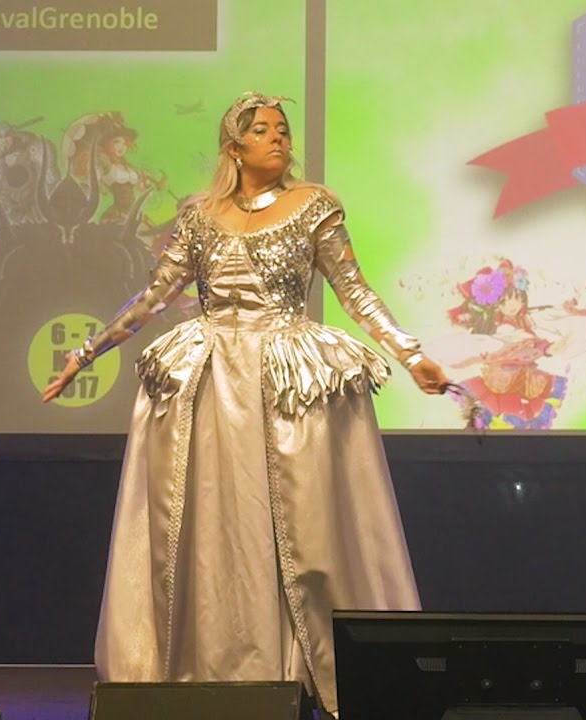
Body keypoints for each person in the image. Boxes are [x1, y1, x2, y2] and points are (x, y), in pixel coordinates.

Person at [42, 92, 452, 716]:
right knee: (216, 527)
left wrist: (410, 352)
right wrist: (86, 352)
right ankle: (213, 666)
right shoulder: (199, 216)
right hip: (213, 385)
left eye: (282, 129)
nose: (279, 138)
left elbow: (354, 291)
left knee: (301, 527)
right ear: (234, 148)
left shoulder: (313, 206)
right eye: (262, 130)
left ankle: (306, 668)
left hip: (283, 381)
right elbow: (154, 297)